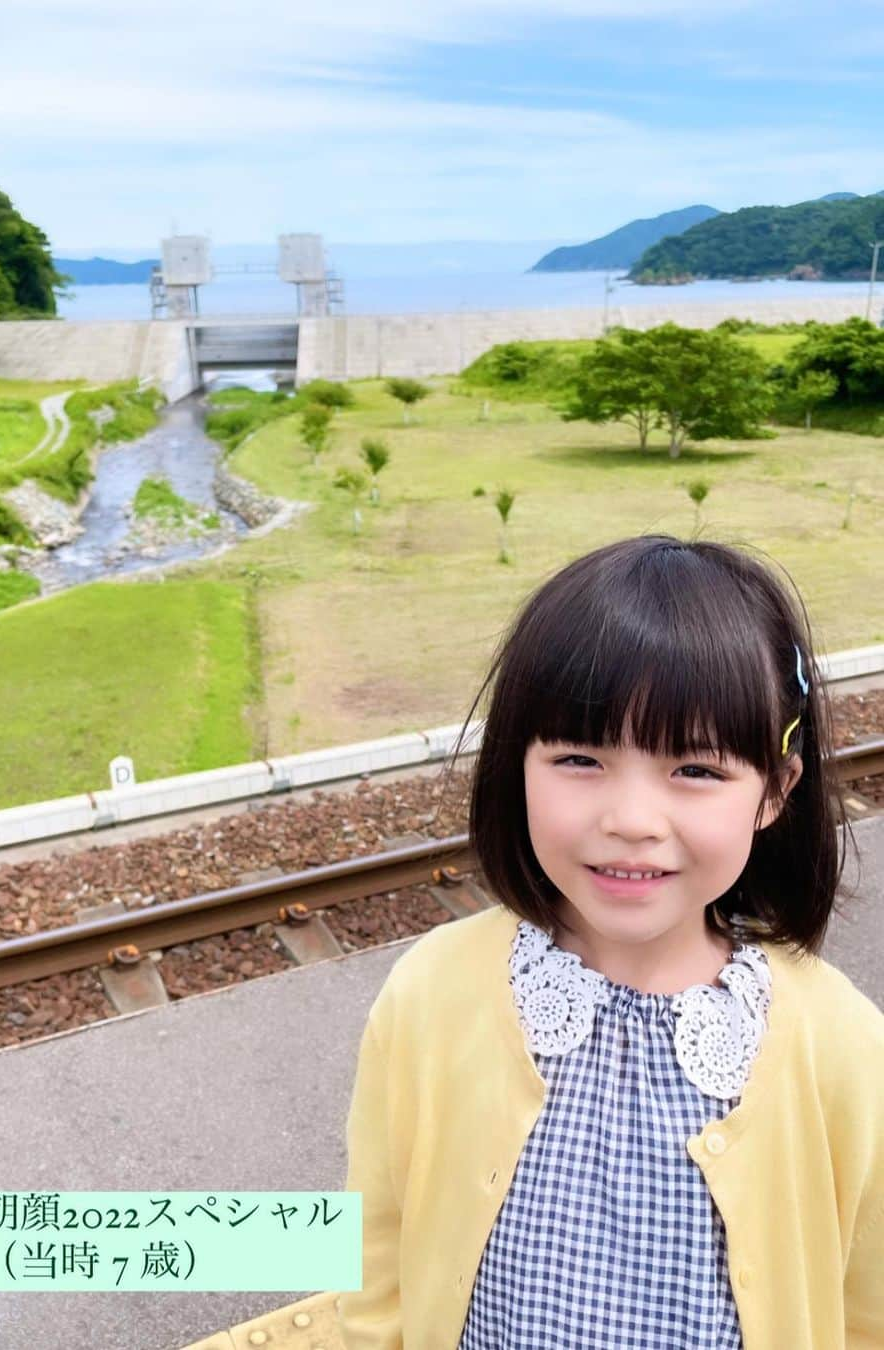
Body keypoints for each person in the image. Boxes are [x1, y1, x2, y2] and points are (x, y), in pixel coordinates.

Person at [338, 533, 883, 1350]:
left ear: (776, 792)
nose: (630, 820)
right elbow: (372, 1247)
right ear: (515, 762)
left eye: (696, 770)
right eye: (580, 758)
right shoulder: (431, 993)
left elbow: (865, 1305)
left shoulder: (841, 1045)